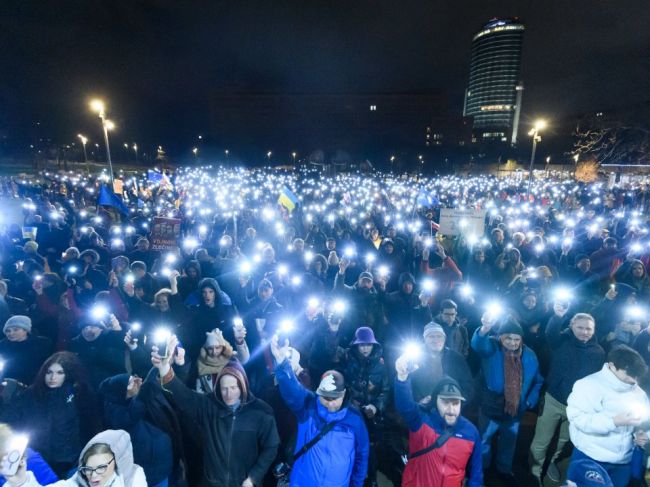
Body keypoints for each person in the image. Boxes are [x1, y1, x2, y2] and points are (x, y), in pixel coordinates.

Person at [151, 334, 279, 487]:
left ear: (243, 385)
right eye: (224, 388)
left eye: (233, 388)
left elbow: (271, 447)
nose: (228, 394)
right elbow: (184, 396)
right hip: (211, 482)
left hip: (244, 483)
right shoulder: (209, 405)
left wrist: (254, 477)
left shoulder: (261, 411)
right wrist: (165, 370)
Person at [270, 335, 369, 487]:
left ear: (343, 394)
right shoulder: (308, 406)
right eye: (325, 398)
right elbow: (292, 391)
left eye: (334, 398)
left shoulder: (354, 419)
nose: (329, 404)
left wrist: (357, 484)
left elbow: (362, 455)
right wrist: (282, 363)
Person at [529, 312, 605, 485]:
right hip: (553, 400)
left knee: (563, 441)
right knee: (542, 441)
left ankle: (552, 462)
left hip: (577, 406)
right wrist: (557, 316)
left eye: (588, 329)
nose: (584, 332)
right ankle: (535, 471)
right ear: (571, 326)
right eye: (580, 327)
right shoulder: (560, 341)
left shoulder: (599, 352)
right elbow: (550, 333)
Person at [3, 352, 101, 478]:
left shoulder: (79, 395)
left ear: (68, 374)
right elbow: (10, 420)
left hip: (68, 462)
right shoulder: (31, 394)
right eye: (49, 372)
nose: (53, 377)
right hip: (36, 460)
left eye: (60, 373)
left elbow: (90, 427)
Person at [471, 315, 543, 485]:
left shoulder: (530, 355)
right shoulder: (492, 348)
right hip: (491, 405)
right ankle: (484, 467)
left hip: (516, 408)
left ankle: (504, 468)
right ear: (500, 337)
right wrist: (484, 329)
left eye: (516, 338)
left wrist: (530, 400)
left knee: (508, 441)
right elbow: (478, 344)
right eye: (508, 338)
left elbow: (538, 380)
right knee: (485, 438)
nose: (512, 342)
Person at [566, 345, 650, 487]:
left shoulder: (638, 393)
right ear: (612, 366)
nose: (633, 380)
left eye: (636, 376)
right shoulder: (588, 385)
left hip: (623, 462)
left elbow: (644, 421)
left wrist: (642, 434)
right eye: (628, 374)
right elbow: (578, 419)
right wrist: (614, 421)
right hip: (591, 458)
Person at [394, 355, 482, 487]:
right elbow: (404, 406)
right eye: (445, 402)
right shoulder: (422, 420)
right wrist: (402, 377)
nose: (451, 409)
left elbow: (476, 474)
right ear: (435, 402)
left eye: (455, 403)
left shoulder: (471, 432)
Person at [3, 429, 147, 486]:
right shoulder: (77, 482)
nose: (93, 475)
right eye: (88, 468)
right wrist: (20, 482)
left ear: (117, 463)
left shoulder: (133, 481)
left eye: (101, 467)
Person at [410, 323, 474, 406]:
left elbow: (468, 385)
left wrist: (456, 404)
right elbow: (408, 384)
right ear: (424, 339)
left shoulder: (455, 358)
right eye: (431, 336)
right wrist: (418, 401)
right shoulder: (414, 358)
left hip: (450, 409)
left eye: (439, 336)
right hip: (423, 408)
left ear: (444, 338)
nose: (436, 340)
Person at [0, 316, 52, 385]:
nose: (11, 333)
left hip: (32, 383)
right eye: (8, 331)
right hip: (7, 382)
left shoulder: (41, 344)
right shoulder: (3, 345)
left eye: (16, 329)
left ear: (25, 330)